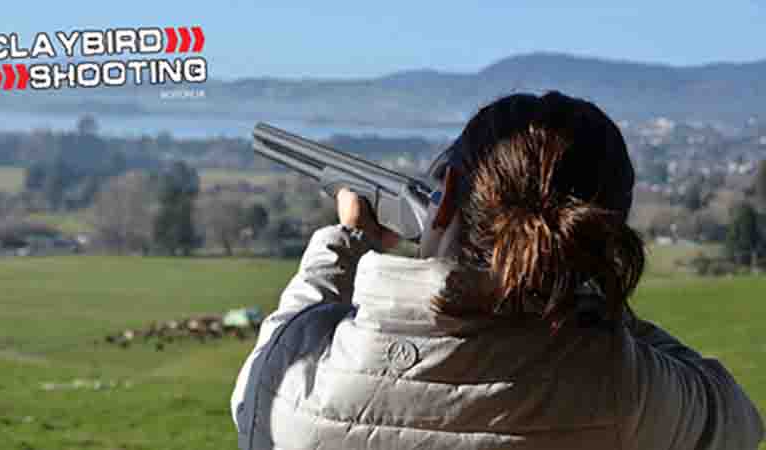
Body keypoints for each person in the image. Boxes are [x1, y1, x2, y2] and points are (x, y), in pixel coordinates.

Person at [231, 92, 764, 450]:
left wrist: (345, 238)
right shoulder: (626, 387)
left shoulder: (305, 389)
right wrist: (588, 304)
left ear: (445, 206)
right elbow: (738, 422)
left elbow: (262, 377)